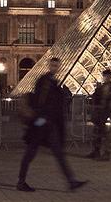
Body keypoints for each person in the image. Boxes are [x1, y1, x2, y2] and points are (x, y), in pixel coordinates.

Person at [16, 57, 87, 192]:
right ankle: (21, 181)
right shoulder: (45, 81)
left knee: (58, 153)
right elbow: (41, 102)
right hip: (41, 124)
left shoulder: (52, 81)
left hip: (48, 124)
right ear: (49, 66)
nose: (55, 67)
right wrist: (41, 119)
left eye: (57, 65)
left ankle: (71, 181)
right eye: (53, 65)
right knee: (30, 153)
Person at [86, 69, 111, 159]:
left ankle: (106, 153)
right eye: (105, 76)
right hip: (99, 112)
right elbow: (95, 97)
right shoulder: (101, 87)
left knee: (104, 133)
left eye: (108, 76)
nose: (106, 78)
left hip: (105, 112)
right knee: (96, 133)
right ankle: (96, 151)